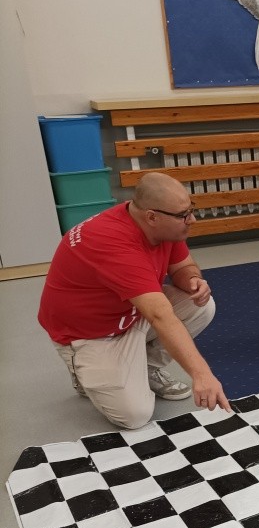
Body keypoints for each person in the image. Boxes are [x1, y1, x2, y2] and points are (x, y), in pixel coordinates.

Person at [38, 171, 230, 430]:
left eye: (191, 209)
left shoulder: (160, 225)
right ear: (152, 217)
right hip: (89, 334)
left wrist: (193, 280)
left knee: (202, 306)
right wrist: (202, 375)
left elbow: (183, 266)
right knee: (135, 415)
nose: (192, 219)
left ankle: (145, 368)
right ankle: (81, 369)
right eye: (184, 215)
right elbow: (160, 315)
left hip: (128, 312)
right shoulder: (112, 243)